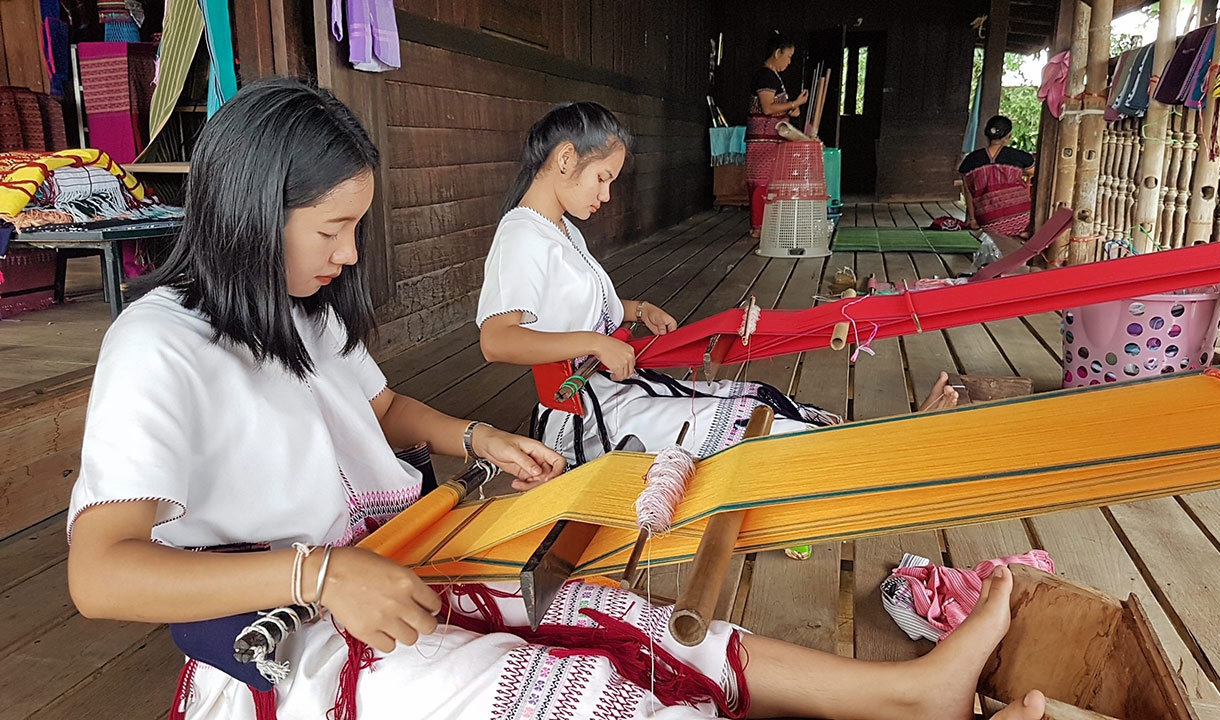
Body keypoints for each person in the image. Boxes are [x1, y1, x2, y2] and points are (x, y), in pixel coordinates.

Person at [67, 79, 1043, 720]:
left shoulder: (299, 310)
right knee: (561, 695)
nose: (350, 255)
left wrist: (479, 436)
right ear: (250, 209)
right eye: (332, 228)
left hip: (385, 570)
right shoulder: (159, 346)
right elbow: (101, 577)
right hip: (281, 648)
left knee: (619, 620)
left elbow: (376, 411)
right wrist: (318, 576)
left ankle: (908, 696)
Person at [477, 102, 958, 469]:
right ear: (565, 159)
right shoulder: (522, 234)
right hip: (581, 419)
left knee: (751, 399)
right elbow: (497, 340)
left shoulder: (559, 228)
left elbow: (567, 303)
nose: (606, 194)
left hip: (610, 388)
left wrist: (637, 310)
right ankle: (890, 454)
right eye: (602, 178)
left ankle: (878, 439)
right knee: (734, 429)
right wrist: (596, 343)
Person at [747, 34, 807, 239]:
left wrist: (791, 110)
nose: (789, 62)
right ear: (777, 53)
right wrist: (793, 104)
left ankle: (763, 225)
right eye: (788, 56)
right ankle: (758, 227)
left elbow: (776, 107)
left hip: (771, 138)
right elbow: (767, 107)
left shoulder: (773, 76)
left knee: (768, 182)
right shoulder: (766, 75)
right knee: (760, 182)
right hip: (762, 139)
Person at [959, 115, 1037, 239]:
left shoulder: (970, 161)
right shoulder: (1018, 157)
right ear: (1008, 137)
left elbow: (968, 193)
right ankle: (1021, 232)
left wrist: (973, 219)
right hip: (1023, 219)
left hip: (988, 222)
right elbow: (1035, 173)